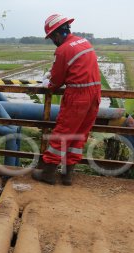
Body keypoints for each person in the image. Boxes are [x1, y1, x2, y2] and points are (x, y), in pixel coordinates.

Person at [32, 14, 101, 186]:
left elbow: (56, 81)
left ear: (56, 34)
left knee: (62, 133)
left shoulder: (63, 49)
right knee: (79, 134)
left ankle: (48, 174)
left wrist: (49, 82)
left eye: (51, 38)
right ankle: (67, 175)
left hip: (78, 96)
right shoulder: (84, 42)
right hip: (94, 94)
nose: (52, 41)